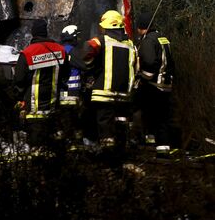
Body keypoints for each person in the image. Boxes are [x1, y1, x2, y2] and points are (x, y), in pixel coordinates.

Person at [70, 10, 136, 147]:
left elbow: (85, 53)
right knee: (120, 123)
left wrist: (89, 66)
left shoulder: (100, 41)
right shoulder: (130, 44)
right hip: (124, 94)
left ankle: (107, 156)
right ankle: (121, 151)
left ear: (105, 26)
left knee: (104, 124)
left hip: (104, 93)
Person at [13, 19, 66, 146]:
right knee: (52, 141)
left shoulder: (28, 53)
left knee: (36, 140)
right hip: (53, 103)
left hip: (34, 105)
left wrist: (18, 97)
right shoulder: (60, 50)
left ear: (33, 33)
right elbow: (65, 74)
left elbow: (19, 79)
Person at [135, 11, 174, 154]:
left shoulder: (148, 40)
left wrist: (142, 76)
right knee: (163, 116)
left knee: (147, 112)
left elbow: (150, 62)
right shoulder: (163, 38)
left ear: (141, 27)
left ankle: (147, 140)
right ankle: (163, 147)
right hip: (166, 84)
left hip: (153, 85)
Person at [59, 25, 83, 142]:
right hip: (73, 91)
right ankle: (74, 141)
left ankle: (65, 140)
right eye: (77, 36)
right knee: (74, 117)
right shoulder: (74, 52)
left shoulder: (59, 50)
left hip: (61, 90)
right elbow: (84, 66)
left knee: (64, 115)